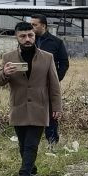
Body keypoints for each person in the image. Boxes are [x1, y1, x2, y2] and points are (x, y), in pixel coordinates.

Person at [0, 22, 61, 176]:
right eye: (23, 36)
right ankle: (32, 173)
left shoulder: (47, 57)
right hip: (19, 106)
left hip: (40, 107)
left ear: (35, 36)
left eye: (30, 35)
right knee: (23, 144)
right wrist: (5, 73)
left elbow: (54, 85)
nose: (27, 39)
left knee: (31, 144)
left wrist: (57, 107)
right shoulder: (8, 57)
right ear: (17, 37)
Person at [31, 14, 69, 145]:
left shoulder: (56, 42)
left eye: (34, 25)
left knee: (51, 114)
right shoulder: (30, 41)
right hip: (31, 85)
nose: (32, 27)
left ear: (43, 26)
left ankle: (52, 142)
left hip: (48, 85)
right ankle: (31, 141)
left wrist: (55, 79)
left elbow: (64, 63)